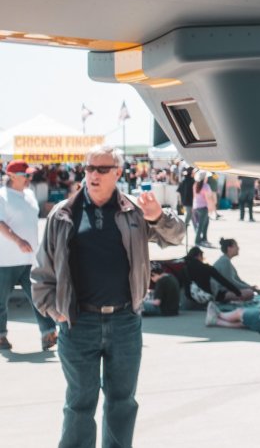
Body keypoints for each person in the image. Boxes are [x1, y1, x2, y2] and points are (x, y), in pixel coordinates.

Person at [31, 144, 185, 448]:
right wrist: (54, 310)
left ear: (117, 173)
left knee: (122, 402)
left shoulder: (135, 213)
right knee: (78, 405)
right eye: (89, 168)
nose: (94, 175)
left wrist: (157, 217)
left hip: (125, 322)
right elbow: (41, 272)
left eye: (102, 169)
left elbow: (176, 236)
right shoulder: (64, 214)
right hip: (78, 324)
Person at [0, 160, 57, 351]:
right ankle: (0, 336)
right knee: (1, 302)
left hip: (30, 258)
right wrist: (18, 241)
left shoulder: (30, 194)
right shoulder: (2, 195)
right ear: (13, 176)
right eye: (26, 175)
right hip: (5, 260)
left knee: (38, 296)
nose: (29, 178)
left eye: (30, 175)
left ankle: (48, 333)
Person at [179, 246, 244, 307]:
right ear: (199, 255)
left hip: (187, 303)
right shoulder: (207, 268)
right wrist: (237, 292)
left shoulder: (183, 268)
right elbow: (223, 281)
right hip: (204, 301)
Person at [192, 171, 214, 246]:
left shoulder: (195, 185)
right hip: (203, 207)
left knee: (204, 224)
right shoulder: (206, 186)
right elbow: (209, 198)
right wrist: (211, 208)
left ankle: (204, 239)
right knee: (202, 225)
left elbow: (194, 197)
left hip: (196, 207)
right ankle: (198, 240)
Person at [178, 167, 194, 233]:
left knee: (190, 214)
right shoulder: (192, 181)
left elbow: (179, 191)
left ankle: (185, 226)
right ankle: (184, 226)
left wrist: (180, 201)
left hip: (185, 200)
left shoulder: (183, 181)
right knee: (189, 214)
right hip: (190, 201)